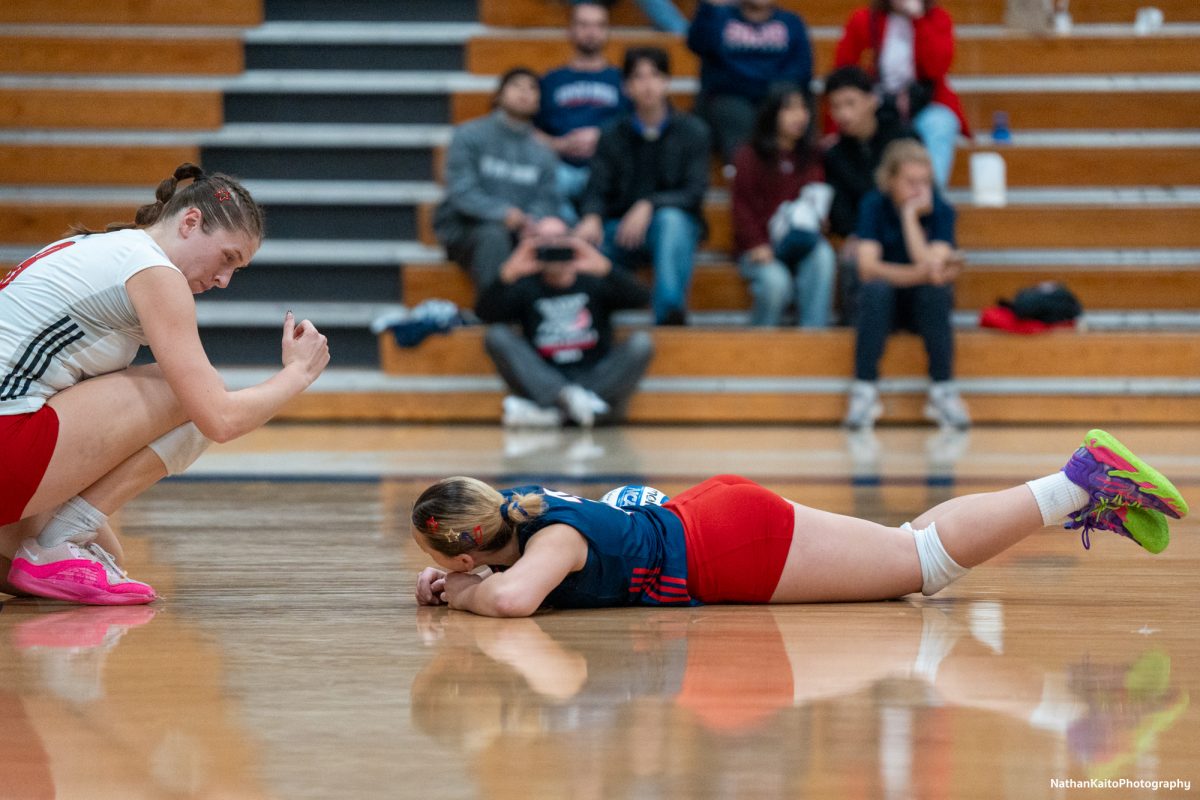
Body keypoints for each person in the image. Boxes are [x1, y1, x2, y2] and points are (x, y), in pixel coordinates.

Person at [0, 163, 331, 605]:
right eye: (227, 258)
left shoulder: (100, 245)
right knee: (193, 394)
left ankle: (45, 550)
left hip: (16, 433)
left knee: (97, 557)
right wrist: (298, 374)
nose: (223, 280)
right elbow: (219, 420)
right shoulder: (153, 270)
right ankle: (47, 548)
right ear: (191, 222)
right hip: (9, 438)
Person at [411, 429, 1189, 616]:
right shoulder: (537, 507)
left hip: (725, 548)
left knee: (921, 566)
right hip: (712, 514)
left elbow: (512, 604)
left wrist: (461, 593)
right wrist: (466, 572)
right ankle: (1085, 497)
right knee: (907, 543)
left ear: (463, 545)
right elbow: (514, 569)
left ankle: (1076, 484)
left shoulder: (548, 544)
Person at [575, 47, 709, 326]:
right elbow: (597, 188)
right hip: (620, 231)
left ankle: (669, 316)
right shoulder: (612, 134)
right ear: (626, 87)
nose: (647, 84)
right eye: (638, 77)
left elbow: (694, 192)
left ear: (667, 82)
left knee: (670, 221)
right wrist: (591, 216)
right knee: (582, 243)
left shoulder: (694, 131)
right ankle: (589, 330)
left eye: (655, 75)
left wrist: (650, 204)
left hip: (674, 228)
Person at [475, 220, 654, 428]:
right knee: (497, 335)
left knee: (641, 343)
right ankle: (571, 403)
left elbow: (642, 299)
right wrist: (508, 272)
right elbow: (485, 314)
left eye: (559, 239)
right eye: (543, 240)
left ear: (572, 242)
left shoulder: (593, 279)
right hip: (545, 378)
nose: (552, 246)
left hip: (595, 377)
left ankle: (557, 412)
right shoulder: (526, 285)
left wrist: (605, 268)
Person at [847, 139, 966, 429]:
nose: (919, 190)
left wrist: (910, 216)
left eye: (925, 182)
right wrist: (924, 272)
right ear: (889, 180)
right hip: (879, 308)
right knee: (876, 290)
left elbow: (932, 268)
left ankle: (943, 390)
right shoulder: (873, 204)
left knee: (935, 292)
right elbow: (866, 269)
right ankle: (864, 389)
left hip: (921, 309)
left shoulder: (941, 209)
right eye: (910, 181)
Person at [434, 68, 562, 294]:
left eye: (532, 88)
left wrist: (530, 222)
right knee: (494, 235)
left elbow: (548, 199)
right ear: (498, 95)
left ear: (539, 103)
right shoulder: (468, 135)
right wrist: (504, 214)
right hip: (465, 228)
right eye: (516, 85)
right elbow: (462, 192)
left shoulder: (544, 153)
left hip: (522, 231)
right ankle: (495, 317)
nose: (524, 92)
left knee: (557, 235)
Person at [731, 84, 836, 327]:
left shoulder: (812, 156)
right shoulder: (749, 155)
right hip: (759, 246)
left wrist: (819, 220)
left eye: (803, 108)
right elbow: (741, 207)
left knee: (824, 256)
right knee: (776, 282)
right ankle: (761, 352)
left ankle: (813, 340)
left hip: (800, 241)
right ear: (772, 113)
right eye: (789, 108)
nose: (798, 115)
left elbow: (815, 201)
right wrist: (756, 243)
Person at [834, 0, 969, 189]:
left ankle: (929, 198)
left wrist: (919, 20)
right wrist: (833, 128)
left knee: (942, 122)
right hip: (875, 106)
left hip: (922, 105)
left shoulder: (937, 19)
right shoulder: (864, 19)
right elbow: (843, 77)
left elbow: (935, 69)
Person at [824, 66, 919, 322]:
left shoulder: (903, 140)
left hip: (905, 230)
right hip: (864, 238)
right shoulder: (834, 155)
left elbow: (921, 192)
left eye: (850, 103)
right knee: (850, 259)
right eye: (836, 106)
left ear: (871, 100)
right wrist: (859, 235)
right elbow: (840, 211)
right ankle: (854, 331)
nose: (843, 113)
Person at [534, 2, 631, 224]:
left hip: (609, 170)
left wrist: (604, 139)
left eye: (599, 25)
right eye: (584, 25)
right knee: (546, 183)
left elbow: (639, 127)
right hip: (559, 169)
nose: (591, 32)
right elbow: (526, 131)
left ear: (607, 32)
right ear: (570, 30)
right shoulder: (550, 81)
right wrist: (558, 144)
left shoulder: (623, 81)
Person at [686, 0, 815, 166]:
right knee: (732, 109)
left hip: (774, 97)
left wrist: (752, 82)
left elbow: (801, 71)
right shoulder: (719, 17)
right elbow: (696, 44)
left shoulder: (791, 22)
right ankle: (741, 173)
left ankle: (789, 170)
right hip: (731, 101)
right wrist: (708, 8)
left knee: (787, 104)